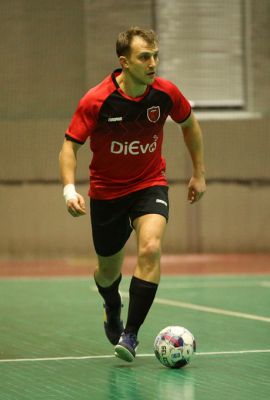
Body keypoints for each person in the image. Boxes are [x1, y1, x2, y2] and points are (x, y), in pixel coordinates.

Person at [59, 27, 206, 363]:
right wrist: (69, 190)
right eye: (144, 57)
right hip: (107, 193)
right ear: (124, 62)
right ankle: (112, 304)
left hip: (148, 183)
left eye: (155, 56)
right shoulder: (96, 100)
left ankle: (131, 334)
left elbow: (189, 125)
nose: (153, 63)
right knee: (107, 273)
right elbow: (70, 146)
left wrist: (198, 173)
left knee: (151, 248)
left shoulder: (166, 94)